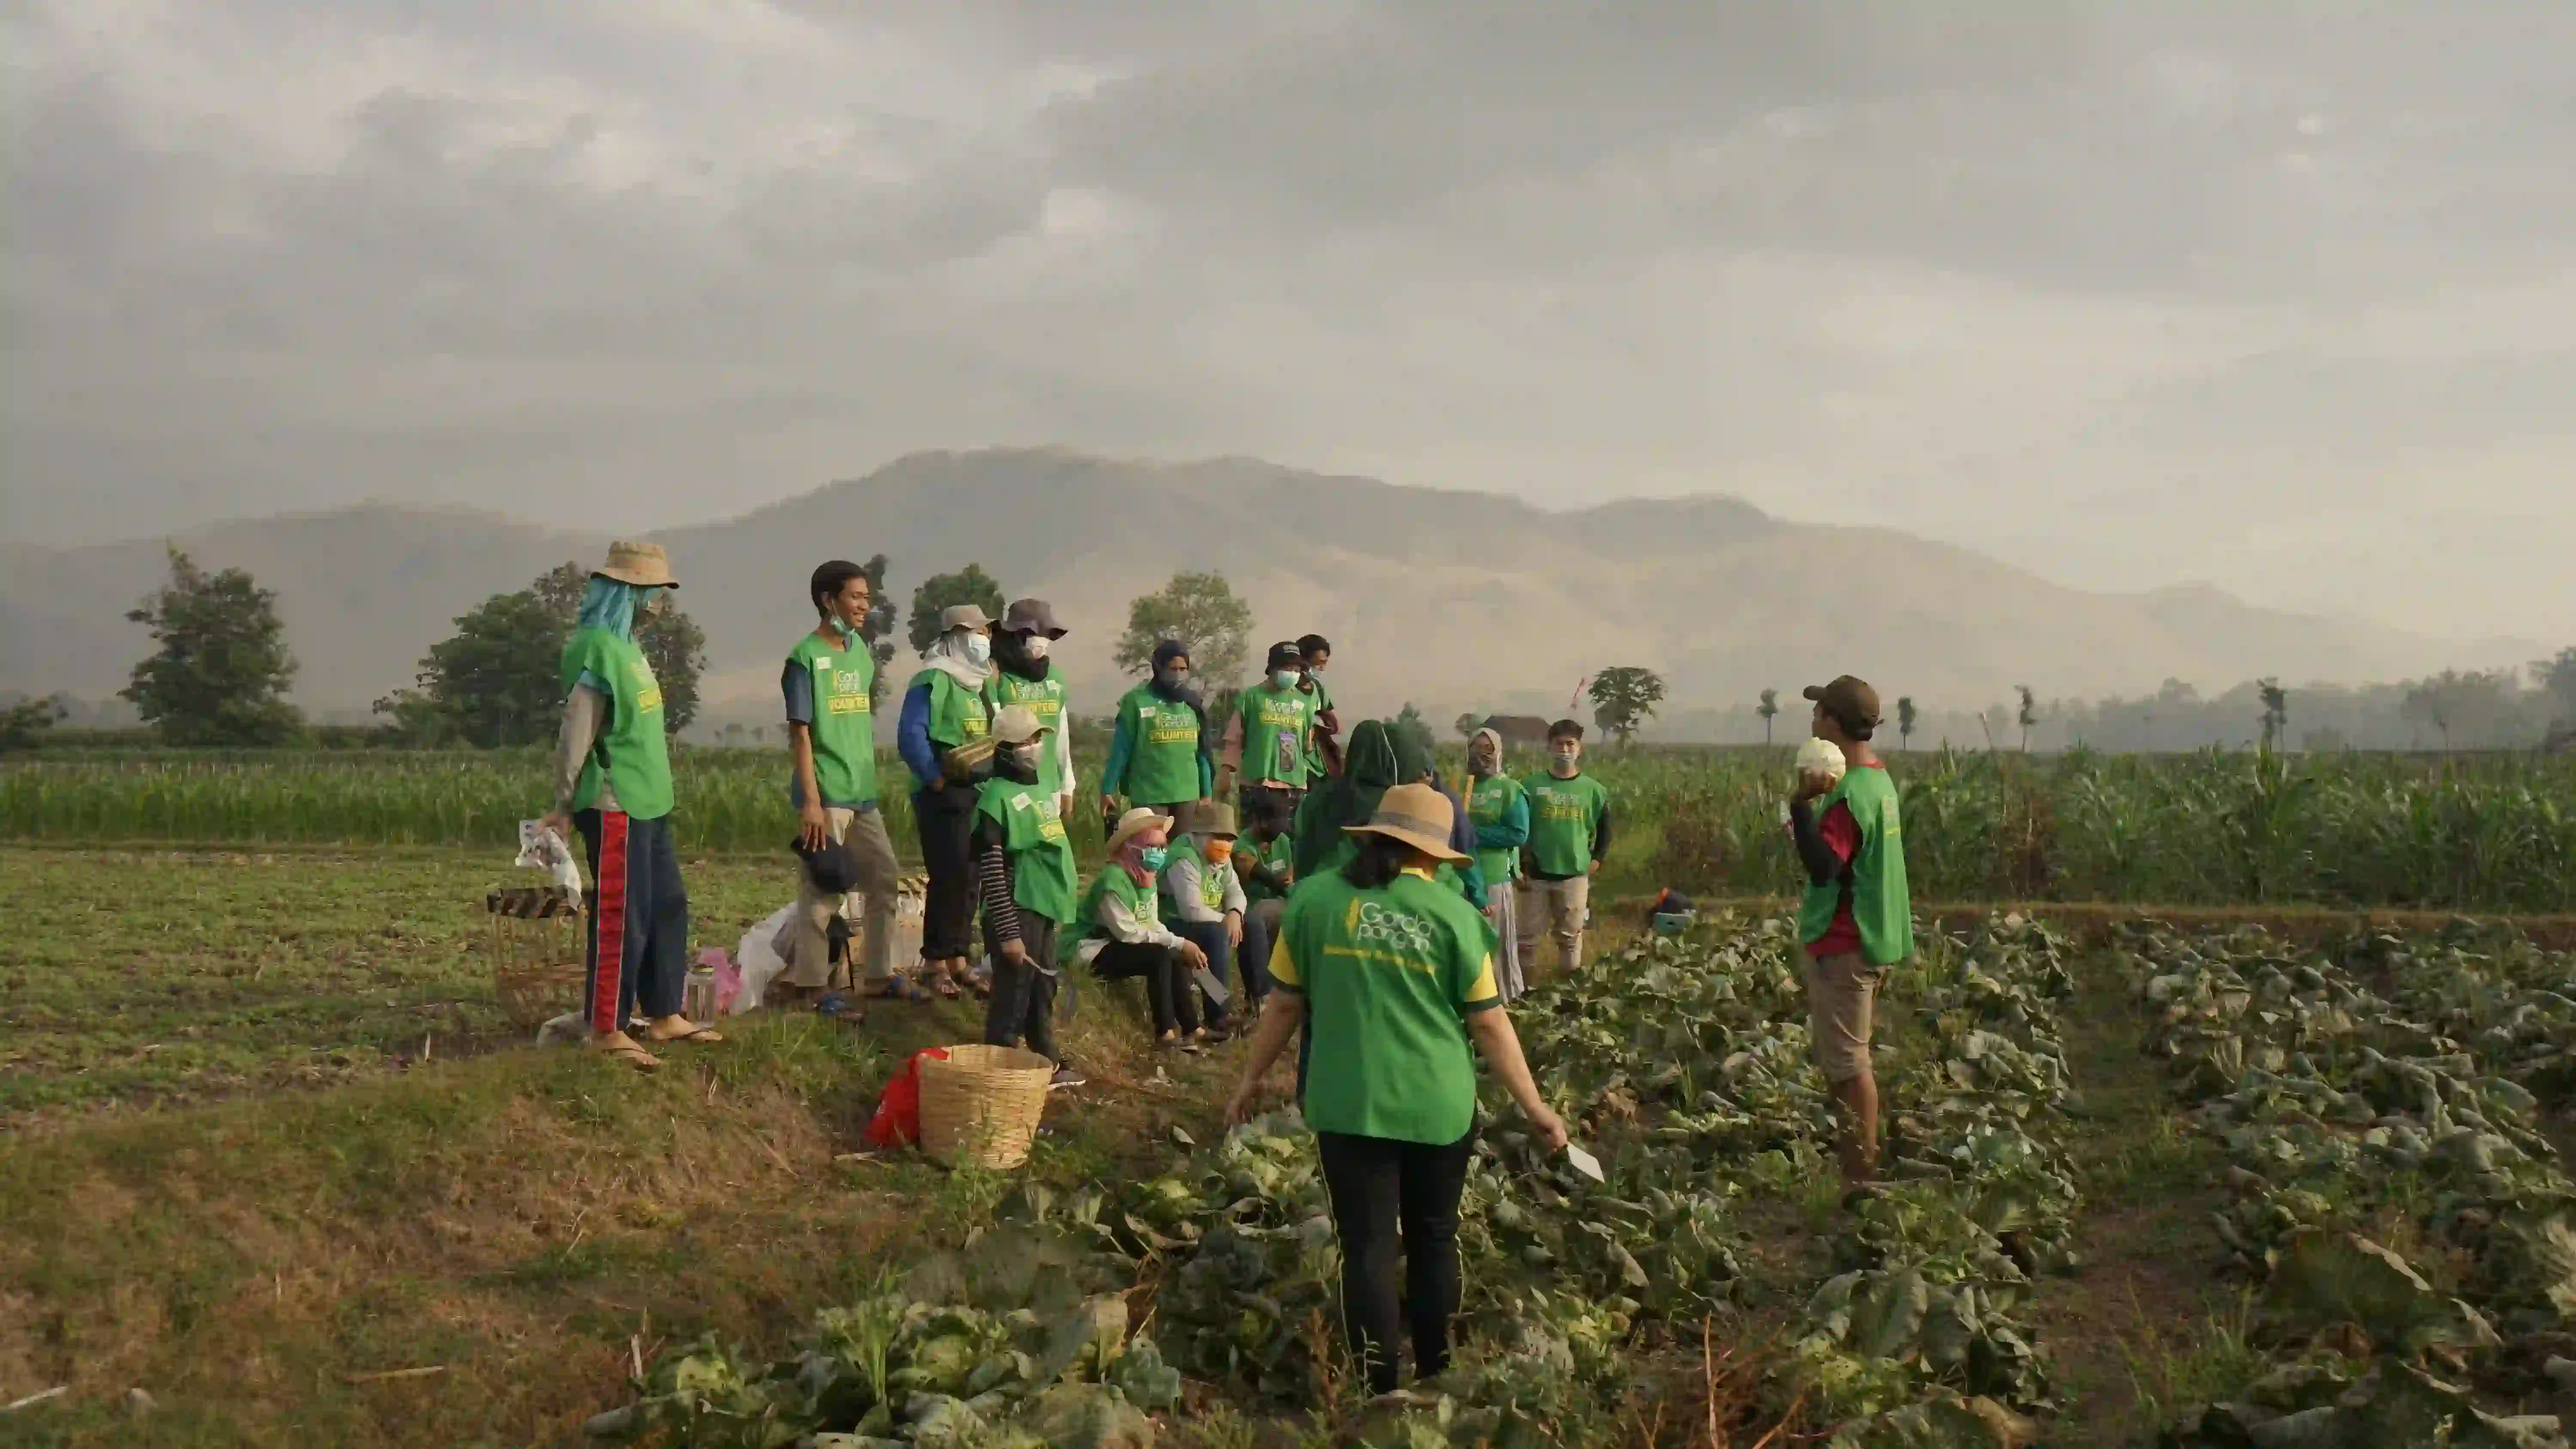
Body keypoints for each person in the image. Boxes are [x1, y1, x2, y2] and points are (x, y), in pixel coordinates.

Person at [1224, 782, 1568, 1397]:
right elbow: (1489, 1024)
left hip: (1349, 1104)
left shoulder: (1314, 901)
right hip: (1438, 1107)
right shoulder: (1456, 916)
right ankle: (1436, 1375)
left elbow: (1284, 1007)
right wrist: (1535, 1107)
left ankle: (1377, 1388)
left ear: (1376, 837)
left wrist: (1250, 1081)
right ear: (1434, 854)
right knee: (1435, 1238)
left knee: (1367, 1248)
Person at [539, 540, 722, 1073]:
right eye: (651, 592)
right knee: (624, 914)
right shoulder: (596, 649)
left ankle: (664, 1013)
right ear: (626, 591)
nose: (658, 603)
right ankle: (607, 1028)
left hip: (650, 799)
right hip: (614, 799)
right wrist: (564, 803)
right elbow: (577, 734)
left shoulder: (630, 649)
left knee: (667, 903)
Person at [1786, 675, 1914, 1189]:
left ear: (1834, 724)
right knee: (1848, 1061)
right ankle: (1855, 1165)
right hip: (1873, 937)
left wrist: (1800, 808)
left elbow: (1825, 868)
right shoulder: (1878, 781)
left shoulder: (1849, 796)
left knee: (1849, 1067)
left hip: (1845, 944)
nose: (1813, 720)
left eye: (1819, 713)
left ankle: (1861, 1178)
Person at [779, 560, 910, 1015]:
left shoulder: (860, 652)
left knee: (885, 878)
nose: (864, 606)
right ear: (828, 600)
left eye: (867, 598)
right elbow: (801, 736)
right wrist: (811, 802)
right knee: (823, 892)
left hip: (862, 793)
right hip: (827, 794)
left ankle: (878, 975)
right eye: (856, 597)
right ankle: (813, 987)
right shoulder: (803, 659)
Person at [974, 706, 1083, 1088]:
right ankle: (997, 1071)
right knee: (1013, 992)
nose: (1035, 746)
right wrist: (1008, 934)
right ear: (1004, 749)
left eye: (1038, 738)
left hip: (1043, 906)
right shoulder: (995, 800)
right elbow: (993, 873)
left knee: (1042, 987)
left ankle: (1045, 1058)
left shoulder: (1038, 789)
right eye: (1026, 741)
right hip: (1017, 908)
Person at [898, 603, 996, 999]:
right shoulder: (932, 679)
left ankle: (959, 959)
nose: (985, 639)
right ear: (957, 636)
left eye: (987, 632)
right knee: (948, 875)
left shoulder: (980, 683)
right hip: (942, 791)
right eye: (978, 632)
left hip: (976, 790)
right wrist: (935, 779)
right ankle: (935, 963)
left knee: (971, 876)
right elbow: (911, 734)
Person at [1061, 807, 1213, 1050]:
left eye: (1162, 847)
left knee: (1170, 952)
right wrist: (1179, 942)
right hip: (1089, 948)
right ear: (1130, 847)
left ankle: (1193, 1028)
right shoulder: (1113, 880)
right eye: (1152, 846)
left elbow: (1151, 923)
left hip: (1114, 943)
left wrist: (1179, 943)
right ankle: (1165, 1032)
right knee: (1159, 956)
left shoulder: (1146, 877)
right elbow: (1127, 932)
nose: (1159, 853)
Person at [1160, 800, 1270, 1029]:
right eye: (1218, 837)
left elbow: (1236, 892)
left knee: (1252, 923)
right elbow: (1191, 910)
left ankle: (1259, 999)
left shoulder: (1222, 859)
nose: (1225, 844)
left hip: (1210, 918)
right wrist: (1226, 920)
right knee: (1216, 934)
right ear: (1201, 835)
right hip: (1173, 921)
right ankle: (1218, 1014)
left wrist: (1235, 913)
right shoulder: (1184, 858)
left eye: (1229, 838)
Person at [1517, 719, 1612, 973]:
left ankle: (1569, 989)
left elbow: (1605, 830)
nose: (1565, 750)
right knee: (1526, 941)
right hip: (1535, 876)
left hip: (1574, 876)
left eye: (1571, 744)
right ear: (1549, 747)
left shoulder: (1594, 790)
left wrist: (1597, 859)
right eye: (1559, 744)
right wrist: (1519, 866)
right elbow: (1518, 830)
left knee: (1570, 938)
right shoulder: (1530, 787)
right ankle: (1523, 991)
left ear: (1580, 749)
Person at [1100, 641, 1213, 833]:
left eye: (1183, 669)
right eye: (1173, 669)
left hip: (1188, 794)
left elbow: (1202, 753)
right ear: (1158, 668)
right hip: (1149, 794)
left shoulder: (1192, 703)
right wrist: (1107, 789)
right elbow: (1121, 750)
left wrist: (1207, 794)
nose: (1178, 674)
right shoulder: (1136, 701)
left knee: (1183, 849)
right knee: (1152, 847)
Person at [986, 599, 1075, 822]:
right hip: (1009, 789)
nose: (1042, 640)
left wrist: (1067, 785)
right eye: (1034, 633)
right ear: (1016, 635)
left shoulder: (1056, 677)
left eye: (1047, 634)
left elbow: (1061, 733)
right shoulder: (995, 675)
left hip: (1050, 787)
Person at [1465, 727, 1531, 1000]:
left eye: (1487, 749)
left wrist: (1474, 835)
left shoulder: (1510, 790)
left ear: (1498, 752)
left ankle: (1504, 998)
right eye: (1475, 748)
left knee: (1496, 944)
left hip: (1493, 877)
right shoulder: (1464, 787)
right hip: (1461, 878)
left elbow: (1518, 834)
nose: (1481, 754)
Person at [1223, 640, 1321, 815]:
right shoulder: (1252, 698)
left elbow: (1307, 746)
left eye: (1297, 670)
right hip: (1256, 785)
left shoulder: (1305, 703)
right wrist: (1226, 771)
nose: (1293, 674)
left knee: (1288, 833)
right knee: (1255, 832)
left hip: (1294, 786)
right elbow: (1234, 739)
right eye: (1288, 668)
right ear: (1273, 668)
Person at [1236, 790, 1297, 945]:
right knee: (1286, 914)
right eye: (1280, 821)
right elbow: (1269, 880)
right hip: (1252, 906)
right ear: (1262, 822)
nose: (1284, 826)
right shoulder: (1242, 847)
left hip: (1279, 901)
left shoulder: (1283, 841)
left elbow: (1288, 881)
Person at [1297, 634, 1342, 782]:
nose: (1322, 668)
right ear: (1303, 661)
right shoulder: (1285, 691)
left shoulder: (1318, 689)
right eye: (1318, 663)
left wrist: (1321, 724)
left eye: (1325, 663)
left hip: (1319, 768)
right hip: (1295, 767)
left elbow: (1337, 725)